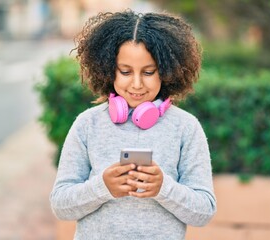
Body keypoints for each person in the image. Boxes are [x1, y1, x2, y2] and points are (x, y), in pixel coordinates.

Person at [50, 10, 216, 240]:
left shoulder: (186, 128)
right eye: (125, 71)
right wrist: (102, 187)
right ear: (108, 70)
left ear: (167, 72)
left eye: (148, 72)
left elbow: (204, 212)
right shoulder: (87, 125)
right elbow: (60, 205)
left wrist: (163, 189)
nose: (136, 84)